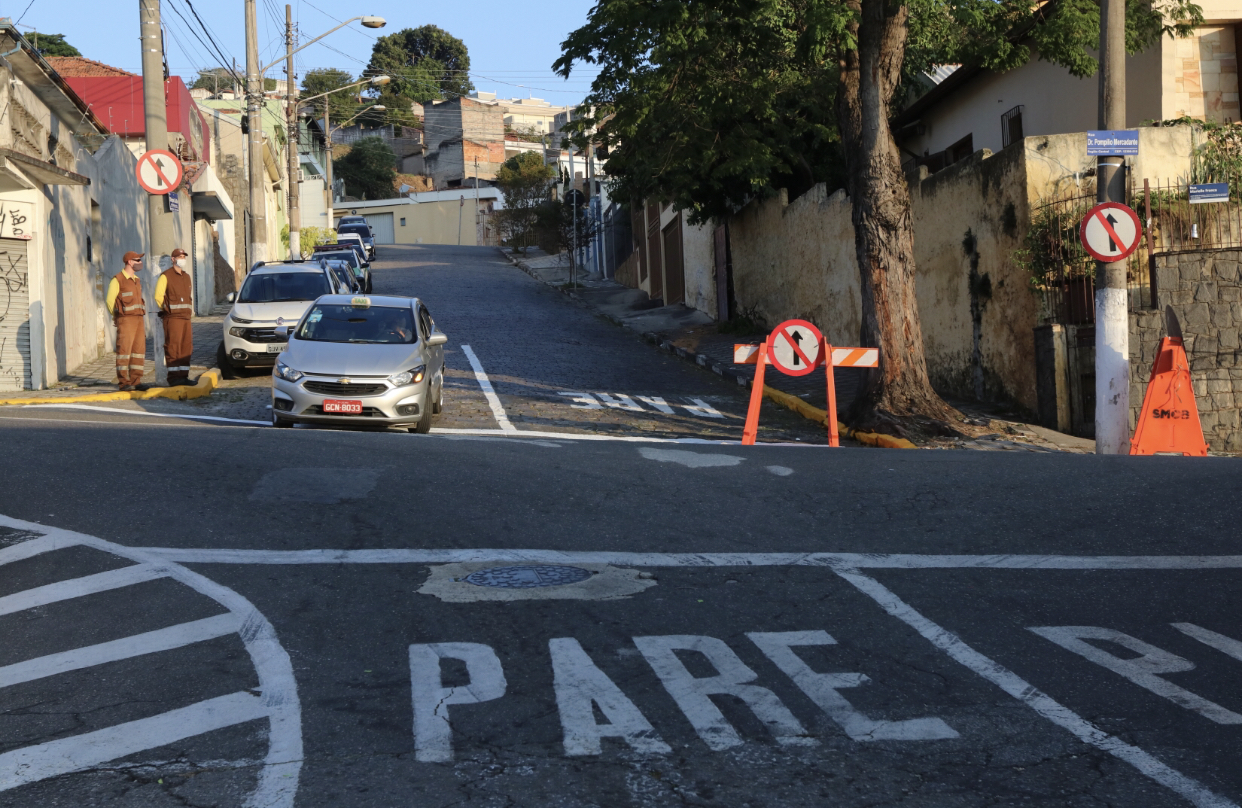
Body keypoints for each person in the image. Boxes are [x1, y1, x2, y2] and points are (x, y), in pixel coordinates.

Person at [105, 251, 147, 391]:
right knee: (124, 351)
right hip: (126, 320)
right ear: (129, 262)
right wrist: (116, 316)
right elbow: (110, 301)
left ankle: (136, 380)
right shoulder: (118, 279)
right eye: (137, 260)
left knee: (138, 350)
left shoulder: (137, 280)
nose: (140, 263)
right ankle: (124, 382)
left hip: (139, 319)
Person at [156, 248, 194, 386]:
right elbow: (158, 297)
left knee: (186, 347)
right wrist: (167, 309)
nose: (182, 258)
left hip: (186, 318)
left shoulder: (187, 277)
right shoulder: (165, 276)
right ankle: (174, 378)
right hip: (172, 318)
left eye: (184, 256)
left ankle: (183, 376)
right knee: (173, 347)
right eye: (180, 256)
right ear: (173, 259)